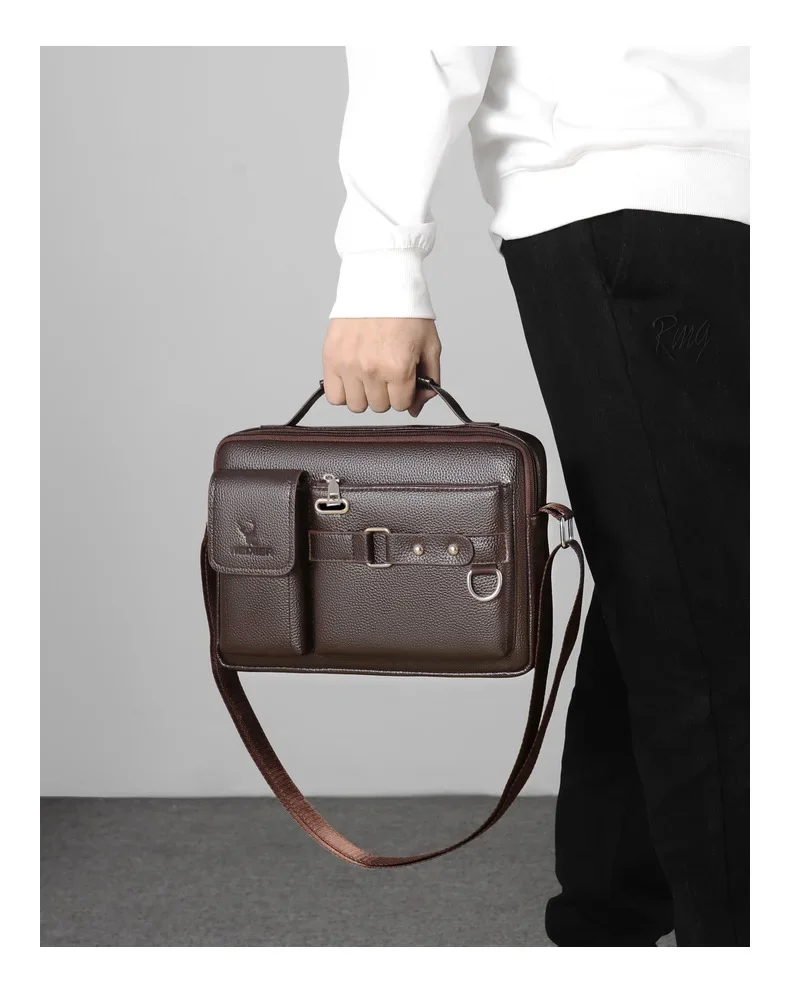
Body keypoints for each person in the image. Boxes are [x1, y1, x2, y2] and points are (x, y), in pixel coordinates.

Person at [321, 46, 749, 947]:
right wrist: (379, 257)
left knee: (677, 584)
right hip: (629, 173)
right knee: (715, 614)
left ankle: (608, 923)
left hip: (730, 177)